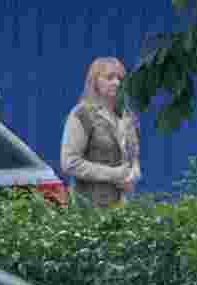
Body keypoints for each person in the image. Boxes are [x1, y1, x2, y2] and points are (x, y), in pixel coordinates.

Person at [60, 57, 141, 208]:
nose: (117, 83)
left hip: (124, 206)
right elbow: (69, 162)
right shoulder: (82, 114)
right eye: (109, 77)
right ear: (95, 81)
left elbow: (133, 158)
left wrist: (133, 174)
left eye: (120, 78)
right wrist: (114, 174)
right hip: (90, 209)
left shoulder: (128, 116)